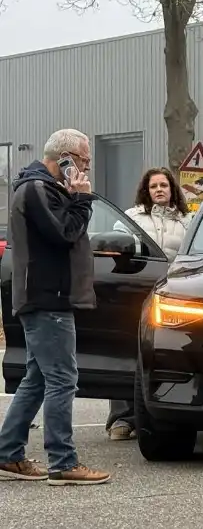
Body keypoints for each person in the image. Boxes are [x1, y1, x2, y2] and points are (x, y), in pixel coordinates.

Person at [0, 129, 111, 485]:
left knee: (36, 379)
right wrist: (82, 198)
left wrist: (75, 197)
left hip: (46, 296)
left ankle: (7, 453)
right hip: (48, 297)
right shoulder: (37, 189)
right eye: (84, 160)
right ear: (65, 159)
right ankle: (63, 461)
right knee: (63, 378)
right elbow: (64, 233)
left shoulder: (43, 189)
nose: (86, 167)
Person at [106, 167, 194, 441]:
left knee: (173, 352)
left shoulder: (188, 220)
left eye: (164, 185)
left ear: (172, 189)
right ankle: (122, 418)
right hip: (135, 294)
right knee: (127, 352)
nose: (159, 190)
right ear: (146, 190)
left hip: (177, 297)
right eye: (153, 185)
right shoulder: (130, 220)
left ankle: (177, 412)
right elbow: (114, 251)